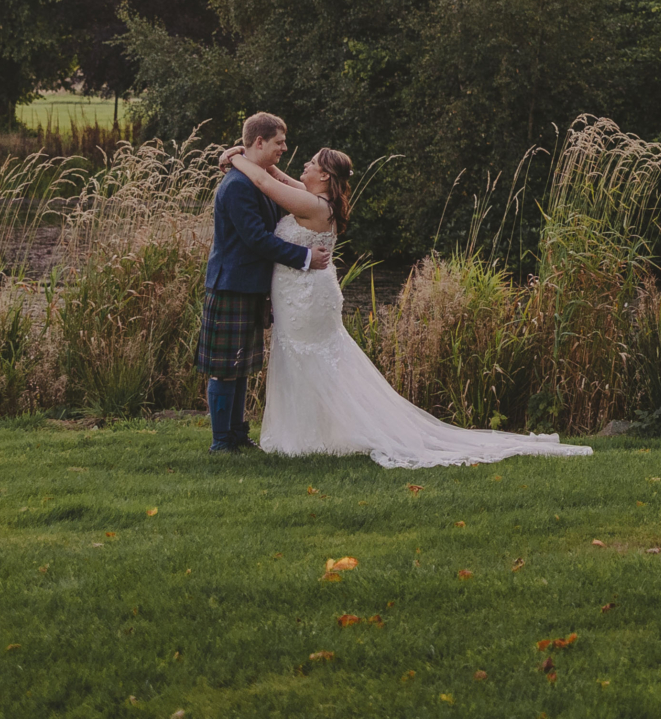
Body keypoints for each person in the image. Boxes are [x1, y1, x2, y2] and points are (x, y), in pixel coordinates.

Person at [217, 139, 591, 468]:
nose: (304, 165)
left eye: (312, 162)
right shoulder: (318, 199)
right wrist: (253, 158)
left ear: (326, 176)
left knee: (308, 358)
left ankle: (307, 437)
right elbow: (277, 178)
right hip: (306, 294)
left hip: (306, 299)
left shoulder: (313, 204)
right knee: (311, 359)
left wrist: (233, 158)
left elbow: (266, 182)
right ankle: (313, 433)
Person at [197, 111, 332, 454]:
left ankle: (238, 434)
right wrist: (304, 259)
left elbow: (273, 185)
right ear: (259, 141)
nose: (284, 148)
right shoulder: (238, 185)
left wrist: (234, 155)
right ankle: (221, 442)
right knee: (225, 368)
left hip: (251, 285)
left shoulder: (253, 177)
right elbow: (257, 239)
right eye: (279, 142)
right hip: (232, 284)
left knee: (240, 366)